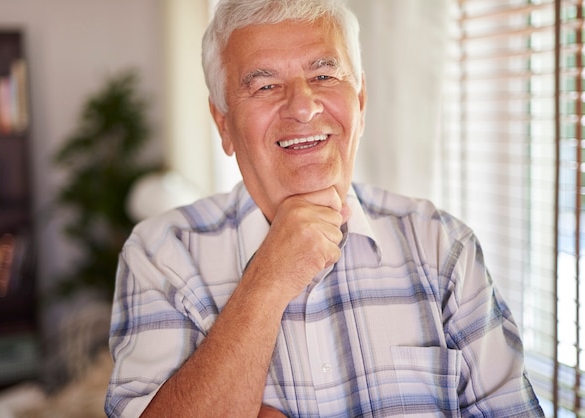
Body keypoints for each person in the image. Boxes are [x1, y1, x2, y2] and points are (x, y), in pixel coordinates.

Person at [105, 0, 544, 416]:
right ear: (223, 123)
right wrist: (267, 282)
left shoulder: (443, 246)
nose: (302, 106)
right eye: (265, 85)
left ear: (361, 102)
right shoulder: (161, 254)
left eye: (324, 77)